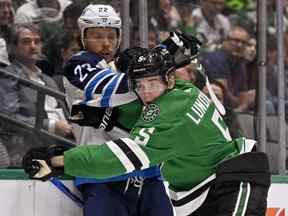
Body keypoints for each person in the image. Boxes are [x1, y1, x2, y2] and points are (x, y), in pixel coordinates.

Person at [23, 47, 270, 216]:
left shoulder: (168, 111)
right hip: (208, 190)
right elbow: (149, 116)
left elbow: (121, 157)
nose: (145, 92)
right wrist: (109, 117)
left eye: (152, 83)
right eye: (140, 85)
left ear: (169, 79)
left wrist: (60, 161)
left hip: (232, 183)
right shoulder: (184, 90)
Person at [62, 4, 174, 216]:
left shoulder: (125, 67)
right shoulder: (77, 66)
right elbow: (108, 88)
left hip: (146, 172)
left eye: (111, 36)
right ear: (83, 36)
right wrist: (160, 61)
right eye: (97, 36)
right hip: (101, 174)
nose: (106, 43)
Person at [0, 23, 73, 167]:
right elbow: (9, 119)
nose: (33, 46)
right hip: (29, 148)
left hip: (65, 144)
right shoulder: (8, 76)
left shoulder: (48, 79)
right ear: (13, 47)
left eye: (37, 41)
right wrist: (52, 126)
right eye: (26, 41)